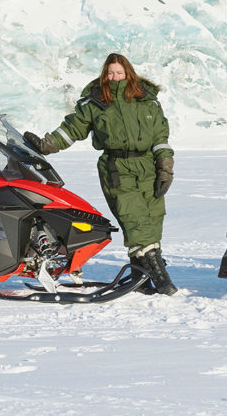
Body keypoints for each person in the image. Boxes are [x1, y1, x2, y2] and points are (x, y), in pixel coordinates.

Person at [24, 53, 177, 295]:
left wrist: (165, 167)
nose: (114, 77)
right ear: (104, 74)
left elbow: (160, 137)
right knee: (136, 220)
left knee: (153, 221)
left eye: (119, 73)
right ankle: (162, 280)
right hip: (117, 168)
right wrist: (47, 145)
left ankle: (140, 277)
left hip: (147, 166)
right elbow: (72, 128)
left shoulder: (147, 101)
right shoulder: (95, 102)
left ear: (128, 73)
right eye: (110, 73)